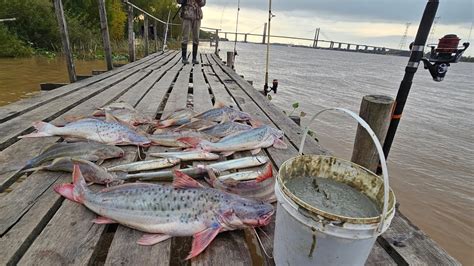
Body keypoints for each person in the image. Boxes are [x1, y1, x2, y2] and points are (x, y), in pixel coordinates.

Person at [177, 0, 206, 65]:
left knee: (196, 38)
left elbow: (203, 3)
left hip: (197, 16)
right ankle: (184, 58)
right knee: (185, 37)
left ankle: (194, 58)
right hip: (187, 15)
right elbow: (178, 1)